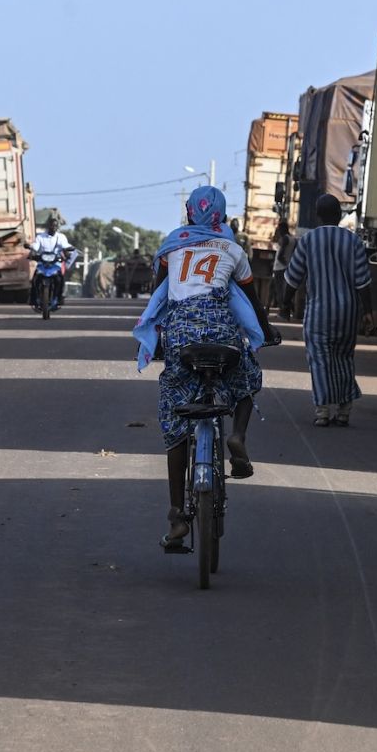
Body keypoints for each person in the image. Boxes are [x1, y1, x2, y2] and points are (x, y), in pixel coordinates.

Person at [132, 186, 276, 546]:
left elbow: (160, 294)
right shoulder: (233, 249)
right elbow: (251, 301)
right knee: (247, 376)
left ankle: (177, 515)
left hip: (183, 337)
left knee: (175, 414)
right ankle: (237, 436)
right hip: (223, 334)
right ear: (222, 214)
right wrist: (267, 330)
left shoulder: (172, 247)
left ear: (190, 212)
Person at [283, 193, 376, 426]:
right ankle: (344, 410)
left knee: (320, 359)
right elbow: (363, 282)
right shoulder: (353, 242)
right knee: (344, 358)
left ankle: (322, 411)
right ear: (339, 215)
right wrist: (368, 312)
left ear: (317, 215)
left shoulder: (308, 241)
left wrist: (285, 303)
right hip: (348, 313)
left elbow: (293, 278)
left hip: (318, 314)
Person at [31, 217, 76, 310]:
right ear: (48, 226)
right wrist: (30, 248)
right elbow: (35, 246)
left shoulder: (61, 237)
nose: (53, 227)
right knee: (35, 278)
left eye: (55, 225)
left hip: (55, 263)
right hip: (42, 262)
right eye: (52, 225)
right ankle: (33, 298)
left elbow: (65, 246)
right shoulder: (40, 237)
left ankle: (58, 297)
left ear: (57, 227)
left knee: (60, 278)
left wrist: (70, 248)